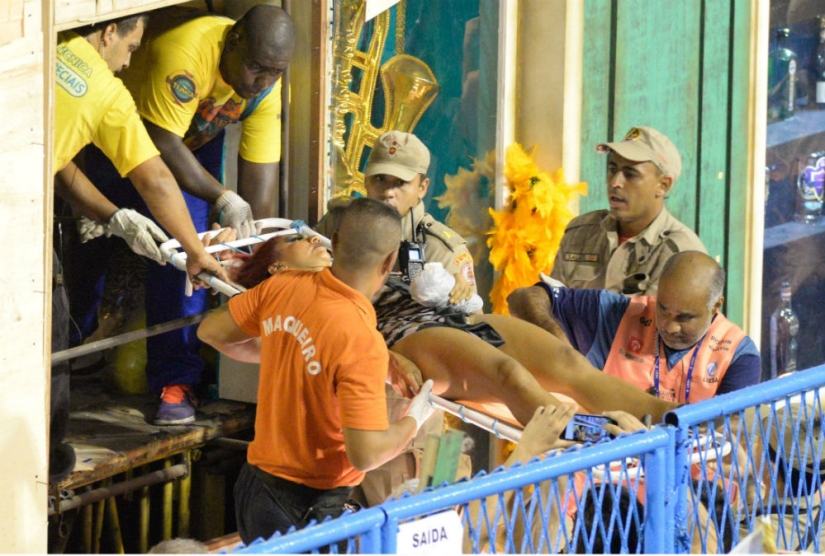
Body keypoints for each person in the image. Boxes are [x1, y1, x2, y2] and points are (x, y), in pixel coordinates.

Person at [72, 5, 296, 425]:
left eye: (273, 72)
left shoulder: (265, 86)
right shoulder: (189, 50)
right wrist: (223, 196)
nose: (261, 82)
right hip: (126, 135)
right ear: (233, 41)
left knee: (190, 257)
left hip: (191, 142)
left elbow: (258, 184)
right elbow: (161, 143)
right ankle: (73, 345)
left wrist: (247, 245)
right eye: (254, 68)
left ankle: (175, 380)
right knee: (91, 243)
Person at [197, 198, 437, 543]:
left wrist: (288, 347)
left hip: (255, 488)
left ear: (334, 243)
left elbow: (212, 331)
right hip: (307, 507)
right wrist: (415, 418)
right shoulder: (360, 340)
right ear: (390, 262)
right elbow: (366, 453)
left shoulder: (283, 286)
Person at [51, 13, 227, 480]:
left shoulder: (49, 45)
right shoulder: (108, 94)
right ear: (109, 32)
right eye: (130, 48)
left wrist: (110, 215)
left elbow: (58, 158)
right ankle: (43, 454)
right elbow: (153, 177)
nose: (128, 63)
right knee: (46, 336)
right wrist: (195, 249)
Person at [508, 125, 707, 339]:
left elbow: (667, 339)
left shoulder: (681, 254)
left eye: (630, 174)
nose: (615, 182)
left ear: (663, 185)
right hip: (570, 362)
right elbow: (554, 305)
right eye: (612, 169)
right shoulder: (581, 233)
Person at [509, 251, 761, 404]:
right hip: (600, 485)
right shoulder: (619, 313)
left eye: (684, 318)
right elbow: (524, 297)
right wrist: (559, 345)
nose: (669, 326)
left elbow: (728, 431)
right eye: (663, 308)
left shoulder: (739, 355)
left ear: (716, 306)